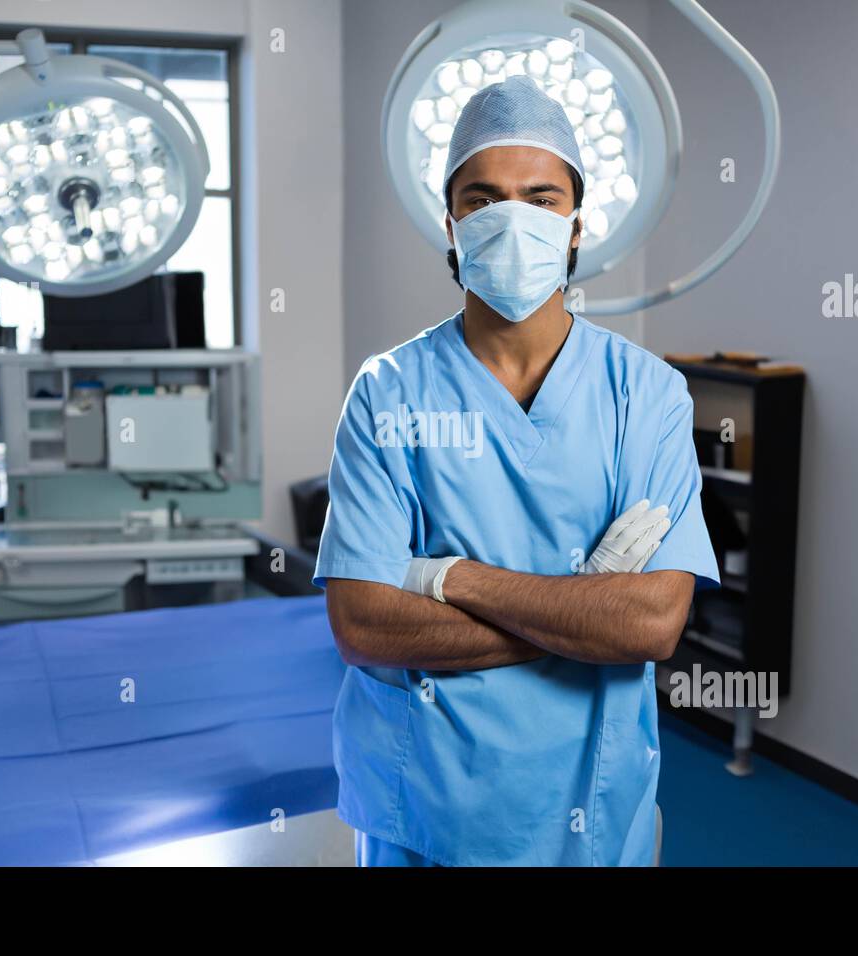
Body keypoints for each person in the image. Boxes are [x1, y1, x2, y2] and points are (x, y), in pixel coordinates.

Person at [315, 76, 720, 866]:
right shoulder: (388, 392)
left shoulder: (647, 396)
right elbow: (363, 625)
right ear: (451, 226)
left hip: (589, 810)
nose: (513, 221)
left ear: (575, 228)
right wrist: (580, 614)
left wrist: (451, 577)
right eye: (483, 199)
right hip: (424, 807)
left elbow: (650, 625)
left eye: (540, 199)